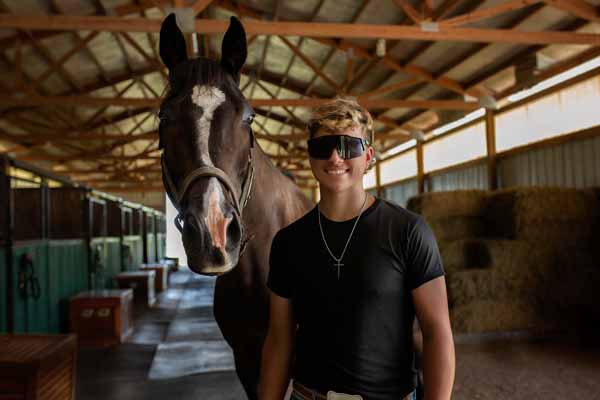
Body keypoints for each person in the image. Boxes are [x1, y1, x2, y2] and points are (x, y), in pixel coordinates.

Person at [259, 98, 455, 400]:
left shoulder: (408, 231)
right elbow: (279, 339)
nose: (335, 158)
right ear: (310, 156)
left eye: (348, 145)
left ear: (368, 155)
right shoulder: (288, 243)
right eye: (323, 147)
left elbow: (437, 331)